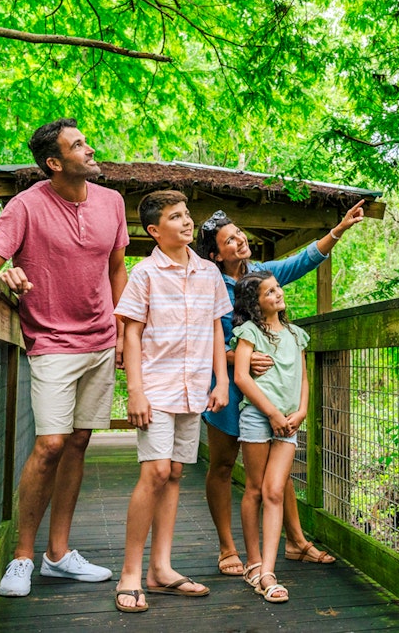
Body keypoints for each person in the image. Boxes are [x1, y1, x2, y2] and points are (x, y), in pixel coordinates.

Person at [0, 118, 128, 597]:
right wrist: (8, 276)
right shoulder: (26, 206)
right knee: (50, 445)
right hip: (50, 342)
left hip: (102, 340)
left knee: (80, 440)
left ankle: (58, 556)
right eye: (78, 145)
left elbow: (117, 267)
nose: (89, 149)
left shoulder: (113, 202)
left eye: (86, 140)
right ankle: (22, 556)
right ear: (54, 163)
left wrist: (123, 330)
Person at [196, 200, 365, 576]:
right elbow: (195, 339)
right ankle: (227, 548)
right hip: (229, 388)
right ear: (215, 254)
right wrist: (233, 359)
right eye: (229, 240)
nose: (240, 241)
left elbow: (302, 261)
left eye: (239, 233)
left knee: (278, 470)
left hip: (270, 390)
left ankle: (297, 541)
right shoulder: (207, 284)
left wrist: (338, 230)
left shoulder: (261, 274)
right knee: (223, 465)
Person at [113, 190, 231, 613]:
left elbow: (217, 330)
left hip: (195, 387)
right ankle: (130, 572)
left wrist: (221, 382)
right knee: (156, 471)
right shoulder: (144, 274)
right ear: (154, 230)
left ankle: (160, 569)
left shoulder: (209, 274)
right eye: (175, 217)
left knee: (177, 471)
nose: (186, 222)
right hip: (157, 387)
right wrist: (136, 391)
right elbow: (131, 331)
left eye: (187, 215)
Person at [232, 271, 311, 603]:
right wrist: (272, 413)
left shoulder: (296, 334)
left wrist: (301, 411)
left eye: (277, 288)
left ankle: (268, 571)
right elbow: (241, 378)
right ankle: (254, 562)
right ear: (256, 303)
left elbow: (303, 379)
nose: (277, 294)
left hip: (289, 424)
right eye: (268, 292)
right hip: (258, 417)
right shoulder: (250, 332)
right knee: (255, 488)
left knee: (275, 491)